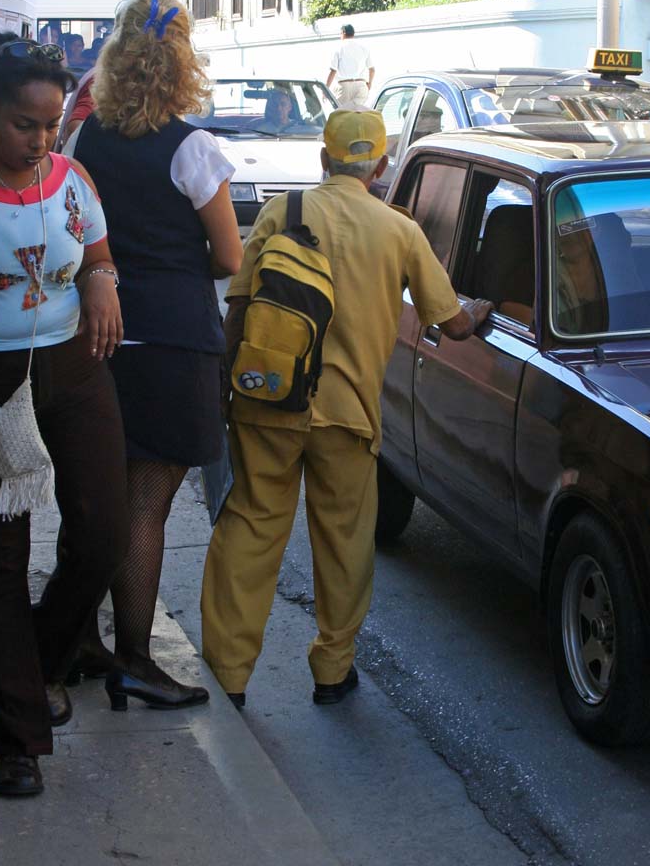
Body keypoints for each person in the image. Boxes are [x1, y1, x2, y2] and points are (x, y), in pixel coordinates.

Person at [201, 109, 493, 709]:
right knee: (344, 540)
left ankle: (228, 676)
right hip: (349, 413)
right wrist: (479, 311)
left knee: (252, 529)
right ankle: (333, 670)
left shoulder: (286, 211)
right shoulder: (399, 230)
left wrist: (227, 386)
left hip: (270, 400)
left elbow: (239, 305)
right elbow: (453, 323)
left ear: (324, 159)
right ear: (382, 166)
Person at [0, 37, 130, 797]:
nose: (41, 141)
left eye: (51, 125)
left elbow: (94, 252)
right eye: (24, 124)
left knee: (104, 532)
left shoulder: (71, 178)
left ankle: (42, 660)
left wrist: (104, 279)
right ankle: (16, 738)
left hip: (73, 366)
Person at [69, 0, 242, 710]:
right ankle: (136, 658)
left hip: (98, 340)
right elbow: (229, 255)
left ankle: (79, 640)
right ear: (181, 62)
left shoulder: (86, 145)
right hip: (172, 344)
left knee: (96, 498)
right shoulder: (192, 149)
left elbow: (76, 236)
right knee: (146, 507)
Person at [326, 24, 374, 108]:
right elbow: (372, 69)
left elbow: (333, 71)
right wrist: (369, 83)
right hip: (361, 85)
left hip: (344, 87)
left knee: (341, 116)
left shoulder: (338, 47)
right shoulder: (364, 47)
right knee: (358, 115)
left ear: (343, 33)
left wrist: (325, 89)